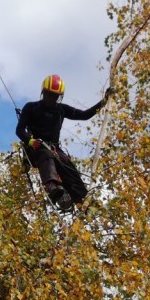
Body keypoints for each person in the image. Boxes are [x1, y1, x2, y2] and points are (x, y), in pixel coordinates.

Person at [16, 74, 109, 212]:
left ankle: (82, 199)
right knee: (46, 153)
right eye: (49, 95)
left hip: (53, 148)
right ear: (43, 93)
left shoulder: (61, 110)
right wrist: (30, 141)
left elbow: (84, 115)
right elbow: (19, 130)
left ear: (59, 96)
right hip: (34, 149)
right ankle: (52, 187)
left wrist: (104, 101)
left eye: (55, 96)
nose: (51, 99)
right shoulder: (31, 108)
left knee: (66, 163)